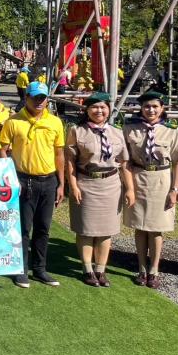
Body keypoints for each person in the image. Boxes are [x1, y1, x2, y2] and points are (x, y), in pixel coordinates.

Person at [66, 92, 135, 287]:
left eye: (103, 107)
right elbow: (70, 162)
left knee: (106, 231)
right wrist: (73, 186)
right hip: (86, 184)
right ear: (87, 110)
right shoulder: (77, 131)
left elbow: (124, 163)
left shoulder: (117, 133)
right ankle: (87, 269)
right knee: (86, 230)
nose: (99, 111)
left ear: (109, 110)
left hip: (111, 185)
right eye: (94, 107)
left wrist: (129, 189)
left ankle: (100, 270)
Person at [0, 81, 65, 288]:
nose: (39, 101)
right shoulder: (13, 121)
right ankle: (20, 269)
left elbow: (59, 154)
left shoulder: (55, 122)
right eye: (35, 97)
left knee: (43, 228)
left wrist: (61, 184)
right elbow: (2, 150)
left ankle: (39, 269)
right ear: (26, 97)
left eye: (42, 98)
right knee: (23, 228)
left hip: (48, 180)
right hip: (23, 180)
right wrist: (10, 177)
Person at [123, 91, 178, 289]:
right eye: (146, 106)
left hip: (161, 180)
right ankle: (142, 267)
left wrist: (174, 189)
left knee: (156, 228)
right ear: (141, 108)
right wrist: (129, 188)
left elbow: (177, 162)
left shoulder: (172, 131)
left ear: (162, 108)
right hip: (139, 178)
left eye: (154, 106)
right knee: (140, 226)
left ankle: (154, 269)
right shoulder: (130, 129)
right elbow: (125, 161)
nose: (150, 110)